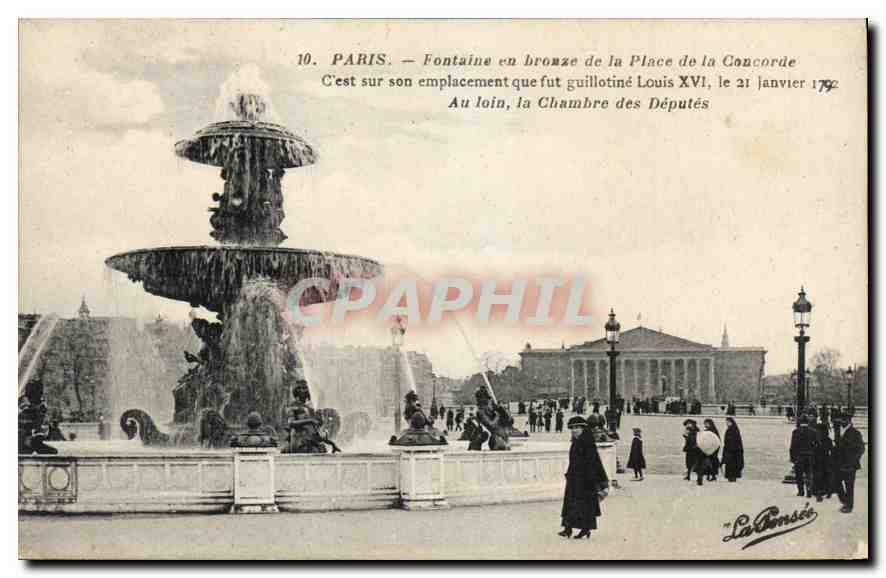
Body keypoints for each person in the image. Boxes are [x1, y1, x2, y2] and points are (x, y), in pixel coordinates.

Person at [558, 416, 609, 540]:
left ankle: (585, 529)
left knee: (584, 506)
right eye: (572, 428)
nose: (574, 430)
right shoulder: (576, 442)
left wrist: (596, 481)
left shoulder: (587, 443)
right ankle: (568, 528)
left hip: (586, 480)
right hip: (574, 478)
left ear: (583, 429)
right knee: (571, 504)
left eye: (577, 428)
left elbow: (594, 463)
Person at [834, 414, 865, 513]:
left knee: (849, 486)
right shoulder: (839, 431)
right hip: (839, 464)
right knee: (836, 482)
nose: (841, 422)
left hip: (850, 465)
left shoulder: (855, 433)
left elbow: (861, 449)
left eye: (843, 420)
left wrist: (852, 462)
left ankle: (849, 506)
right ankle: (845, 501)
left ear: (848, 421)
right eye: (841, 420)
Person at [790, 414, 816, 498]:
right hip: (810, 456)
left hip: (799, 456)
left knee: (799, 475)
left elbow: (793, 446)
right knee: (809, 474)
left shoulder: (796, 432)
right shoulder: (813, 432)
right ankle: (809, 490)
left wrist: (792, 457)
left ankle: (801, 491)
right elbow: (817, 445)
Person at [812, 422, 835, 502]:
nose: (817, 432)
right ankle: (821, 492)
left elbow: (831, 451)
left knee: (821, 477)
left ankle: (822, 492)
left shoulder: (826, 440)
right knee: (819, 477)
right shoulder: (817, 440)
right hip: (818, 461)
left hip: (823, 461)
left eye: (819, 431)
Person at [722, 417, 744, 482]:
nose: (727, 423)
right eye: (726, 422)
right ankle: (730, 478)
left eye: (728, 422)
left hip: (734, 453)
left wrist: (731, 449)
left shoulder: (734, 430)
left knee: (733, 467)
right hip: (729, 452)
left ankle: (732, 478)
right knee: (729, 466)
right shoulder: (729, 430)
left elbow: (736, 442)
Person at [701, 418, 721, 482]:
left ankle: (713, 476)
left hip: (712, 449)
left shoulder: (713, 431)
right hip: (707, 449)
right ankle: (708, 475)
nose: (705, 425)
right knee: (707, 462)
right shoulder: (706, 431)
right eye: (705, 424)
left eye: (706, 424)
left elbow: (716, 440)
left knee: (712, 462)